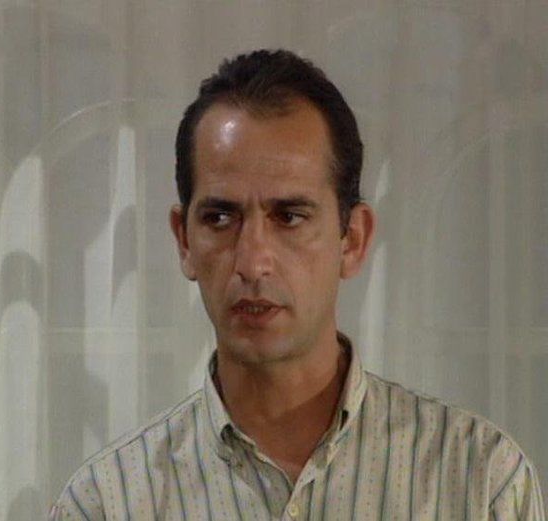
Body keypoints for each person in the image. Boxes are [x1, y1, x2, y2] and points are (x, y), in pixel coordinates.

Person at [50, 49, 545, 520]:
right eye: (220, 218)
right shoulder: (107, 504)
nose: (252, 262)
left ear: (353, 239)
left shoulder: (479, 482)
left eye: (289, 216)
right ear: (184, 241)